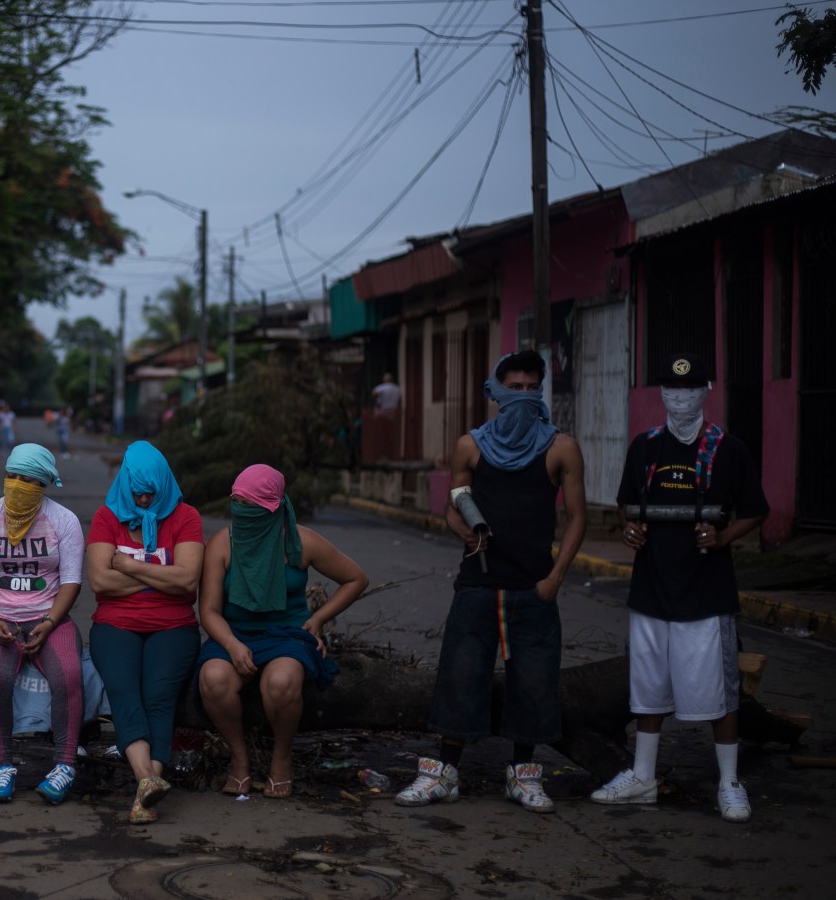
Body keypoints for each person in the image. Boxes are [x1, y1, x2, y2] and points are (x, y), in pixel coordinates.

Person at [396, 350, 585, 814]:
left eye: (530, 388)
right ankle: (444, 773)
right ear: (494, 391)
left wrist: (555, 578)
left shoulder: (561, 447)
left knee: (534, 682)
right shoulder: (471, 445)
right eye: (513, 388)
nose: (521, 397)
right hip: (477, 586)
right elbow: (453, 502)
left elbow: (578, 518)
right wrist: (462, 531)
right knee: (460, 675)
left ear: (539, 391)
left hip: (533, 587)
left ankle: (523, 776)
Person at [591, 352, 768, 823]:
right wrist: (631, 531)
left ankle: (729, 782)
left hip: (706, 592)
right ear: (661, 394)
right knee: (648, 688)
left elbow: (756, 509)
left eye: (689, 389)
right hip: (651, 590)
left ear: (706, 391)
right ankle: (643, 776)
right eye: (671, 389)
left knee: (718, 690)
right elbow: (628, 505)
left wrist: (723, 536)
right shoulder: (645, 447)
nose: (680, 397)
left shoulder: (728, 449)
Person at [197, 464, 368, 799]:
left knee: (281, 683)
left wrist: (317, 620)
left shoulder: (301, 541)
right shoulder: (223, 543)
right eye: (236, 505)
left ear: (272, 508)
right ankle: (240, 759)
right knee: (213, 680)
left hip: (286, 635)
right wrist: (231, 645)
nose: (241, 514)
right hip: (235, 634)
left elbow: (355, 578)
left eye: (250, 508)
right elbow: (209, 611)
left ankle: (281, 759)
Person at [86, 440, 203, 825]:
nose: (143, 498)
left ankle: (145, 790)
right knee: (123, 688)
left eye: (151, 492)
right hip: (115, 624)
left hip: (173, 627)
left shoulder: (186, 517)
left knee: (159, 696)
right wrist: (160, 578)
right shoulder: (107, 516)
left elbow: (188, 583)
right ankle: (148, 781)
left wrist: (129, 566)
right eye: (137, 491)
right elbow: (101, 583)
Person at [0, 444, 85, 805]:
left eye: (28, 480)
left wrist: (48, 622)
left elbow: (71, 582)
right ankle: (2, 766)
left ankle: (64, 765)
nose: (17, 485)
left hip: (50, 616)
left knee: (69, 673)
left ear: (45, 484)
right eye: (12, 476)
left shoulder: (64, 521)